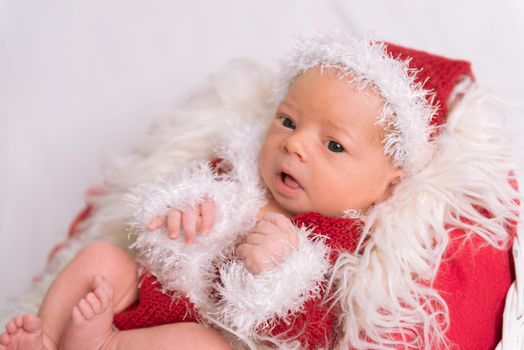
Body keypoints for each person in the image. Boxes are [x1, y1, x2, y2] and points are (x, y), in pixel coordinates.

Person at [0, 32, 520, 350]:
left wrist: (277, 271)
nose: (295, 147)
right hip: (143, 291)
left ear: (388, 185)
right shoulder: (240, 166)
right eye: (288, 120)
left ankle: (105, 344)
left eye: (334, 146)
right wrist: (181, 212)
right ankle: (43, 338)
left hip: (199, 332)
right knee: (101, 256)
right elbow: (160, 205)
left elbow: (310, 329)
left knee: (205, 346)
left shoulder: (339, 243)